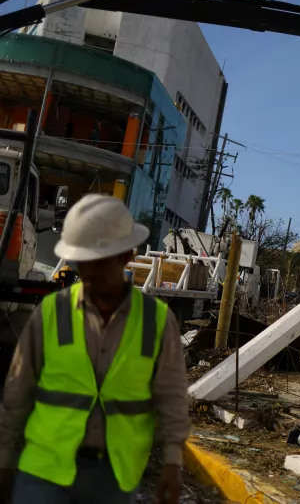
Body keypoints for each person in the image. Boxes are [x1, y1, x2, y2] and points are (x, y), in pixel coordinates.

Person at [0, 194, 190, 504]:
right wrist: (4, 458)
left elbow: (171, 396)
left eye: (98, 262)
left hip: (115, 475)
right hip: (44, 469)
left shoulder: (157, 321)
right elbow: (17, 393)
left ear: (127, 255)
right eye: (82, 262)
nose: (89, 273)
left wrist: (173, 461)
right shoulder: (51, 313)